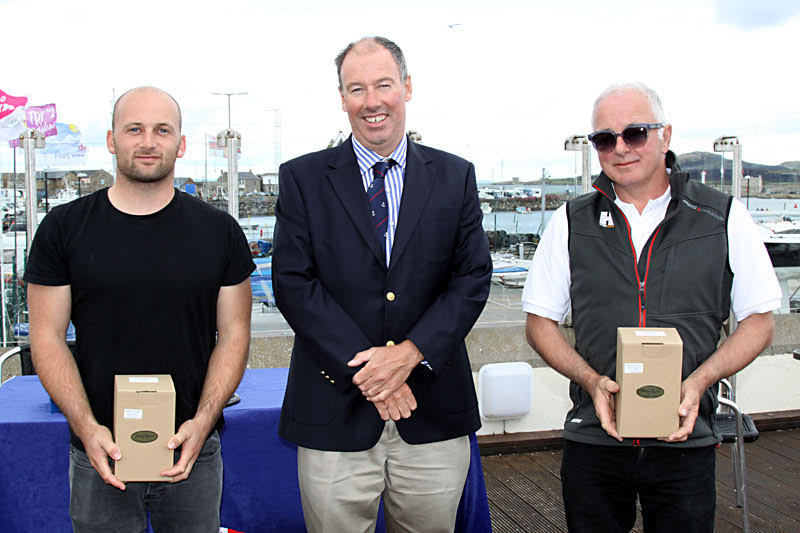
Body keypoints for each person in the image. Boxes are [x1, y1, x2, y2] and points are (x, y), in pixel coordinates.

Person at [522, 83, 781, 532]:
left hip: (687, 440)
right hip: (593, 437)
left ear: (666, 135)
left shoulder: (722, 215)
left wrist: (700, 382)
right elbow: (539, 322)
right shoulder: (571, 220)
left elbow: (759, 320)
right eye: (604, 139)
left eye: (635, 133)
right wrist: (590, 380)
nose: (620, 148)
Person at [272, 36, 492, 533]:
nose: (371, 101)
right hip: (334, 411)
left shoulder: (455, 177)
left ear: (407, 88)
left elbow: (472, 277)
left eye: (383, 85)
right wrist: (374, 373)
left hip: (433, 411)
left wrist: (409, 354)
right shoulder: (302, 179)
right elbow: (293, 283)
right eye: (356, 89)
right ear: (342, 98)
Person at [25, 86, 255, 532]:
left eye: (162, 130)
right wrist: (87, 427)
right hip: (99, 450)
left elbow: (234, 334)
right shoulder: (63, 228)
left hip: (193, 448)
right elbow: (46, 336)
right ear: (112, 140)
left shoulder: (219, 232)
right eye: (134, 129)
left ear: (180, 143)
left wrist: (203, 422)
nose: (148, 142)